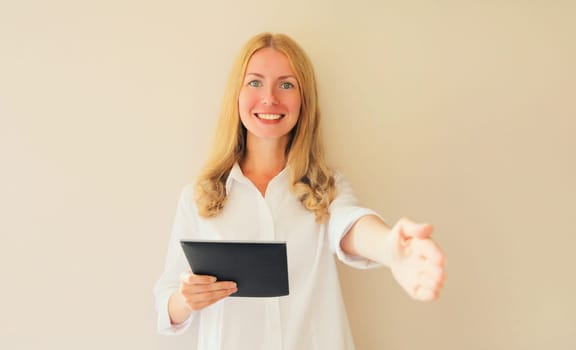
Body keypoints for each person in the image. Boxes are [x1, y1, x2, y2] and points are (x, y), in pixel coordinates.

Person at [153, 32, 445, 350]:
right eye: (255, 82)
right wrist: (185, 299)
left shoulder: (325, 187)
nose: (269, 98)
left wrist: (389, 247)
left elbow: (349, 225)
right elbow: (166, 303)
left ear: (304, 99)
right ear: (236, 94)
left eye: (286, 84)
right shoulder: (199, 196)